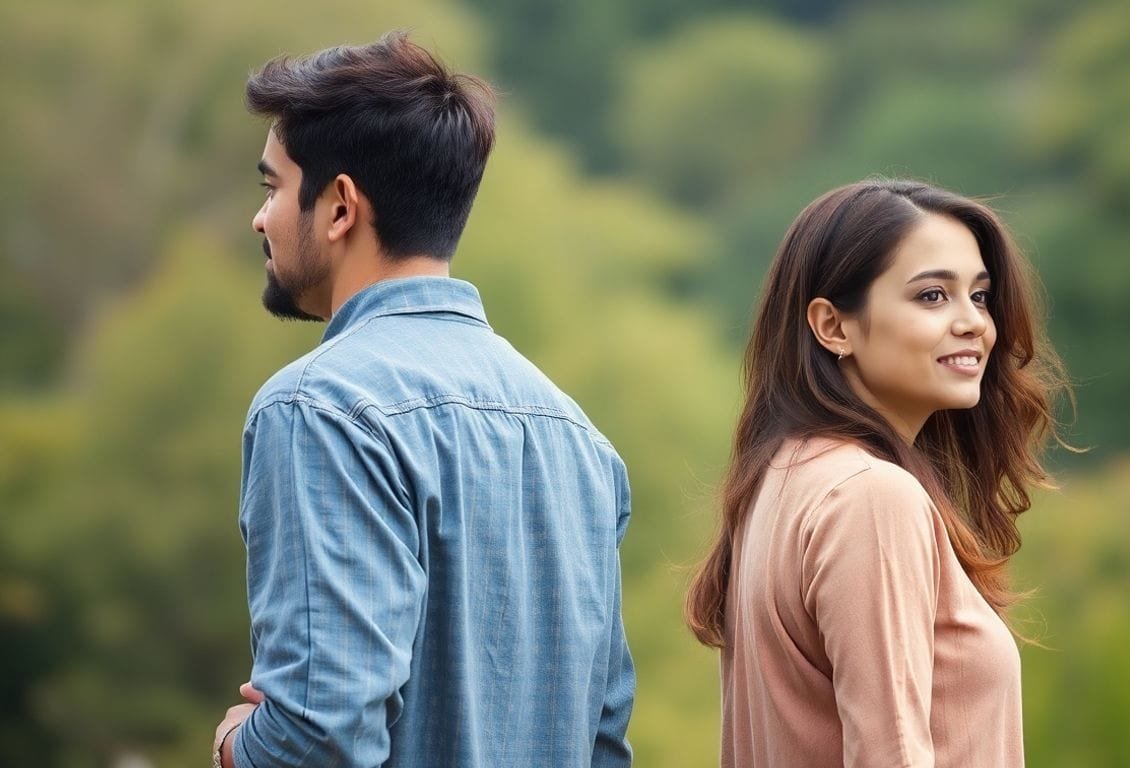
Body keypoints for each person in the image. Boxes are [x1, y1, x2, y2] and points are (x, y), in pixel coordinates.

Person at [211, 32, 634, 768]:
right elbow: (601, 743)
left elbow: (319, 740)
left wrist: (234, 746)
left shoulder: (318, 409)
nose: (260, 219)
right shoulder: (581, 439)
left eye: (271, 188)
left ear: (340, 207)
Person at [685, 180, 1068, 767]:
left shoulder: (785, 480)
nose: (973, 323)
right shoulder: (869, 496)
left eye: (981, 297)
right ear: (833, 327)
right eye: (933, 296)